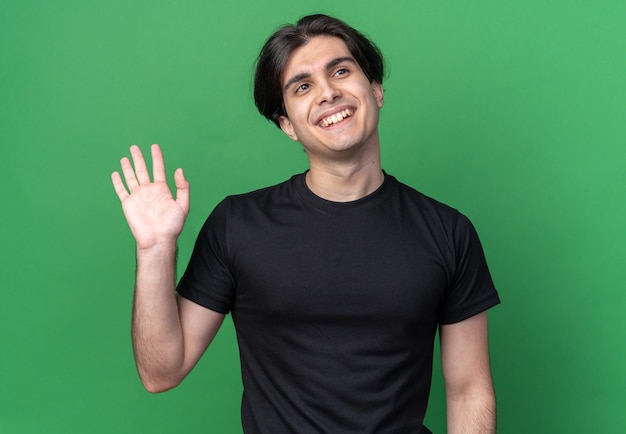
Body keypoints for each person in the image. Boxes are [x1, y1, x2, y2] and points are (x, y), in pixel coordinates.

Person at [111, 14, 500, 434]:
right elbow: (161, 372)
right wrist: (154, 250)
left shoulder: (448, 232)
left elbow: (468, 389)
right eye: (303, 86)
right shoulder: (237, 224)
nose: (328, 93)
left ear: (376, 89)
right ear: (287, 125)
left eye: (341, 71)